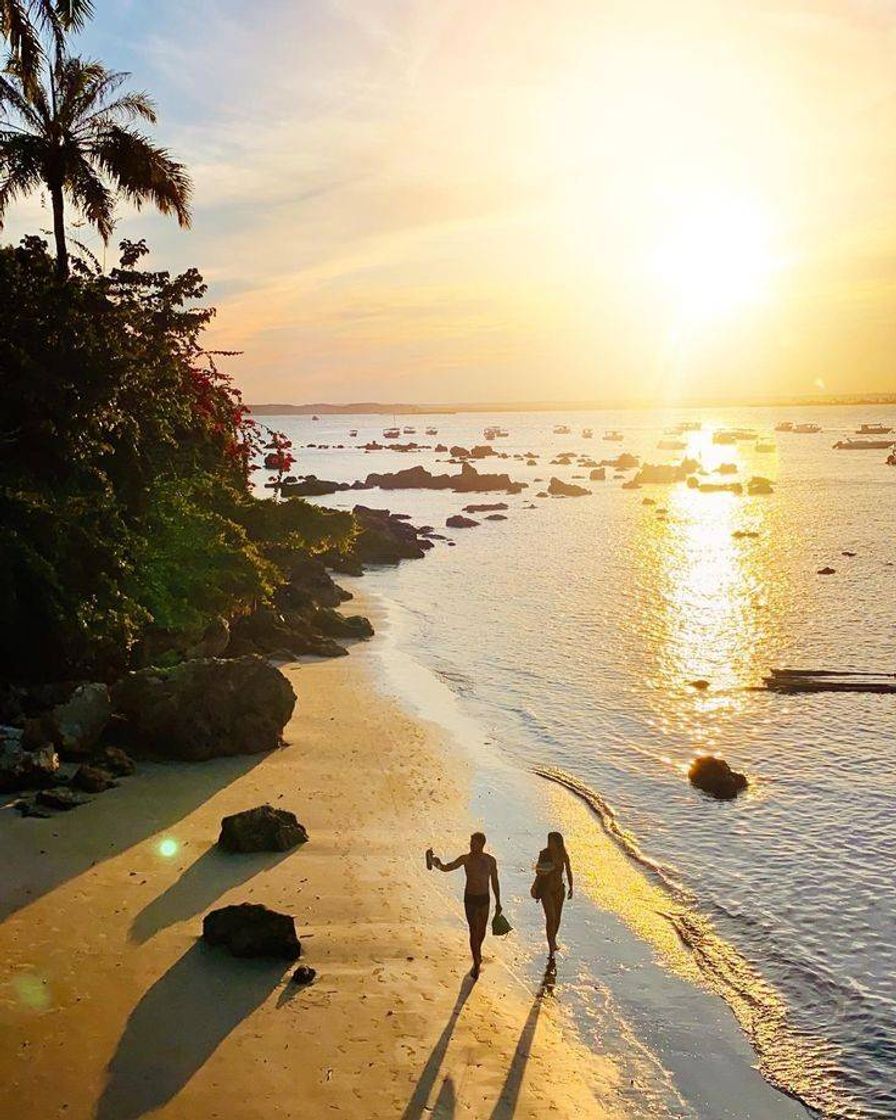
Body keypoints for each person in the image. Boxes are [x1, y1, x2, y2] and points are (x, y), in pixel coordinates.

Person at [430, 832, 501, 979]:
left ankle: (477, 951)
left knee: (481, 931)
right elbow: (447, 867)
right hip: (470, 899)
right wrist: (435, 862)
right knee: (473, 930)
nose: (471, 845)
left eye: (474, 843)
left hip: (484, 899)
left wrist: (498, 902)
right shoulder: (466, 859)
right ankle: (476, 962)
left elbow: (495, 881)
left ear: (481, 844)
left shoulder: (490, 861)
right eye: (470, 842)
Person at [532, 831, 573, 956]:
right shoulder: (544, 854)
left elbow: (568, 871)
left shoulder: (563, 855)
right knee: (551, 918)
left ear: (558, 843)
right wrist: (535, 886)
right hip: (546, 890)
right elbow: (539, 871)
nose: (550, 844)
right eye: (548, 841)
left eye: (552, 842)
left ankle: (553, 939)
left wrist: (571, 887)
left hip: (559, 889)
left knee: (557, 919)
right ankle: (551, 946)